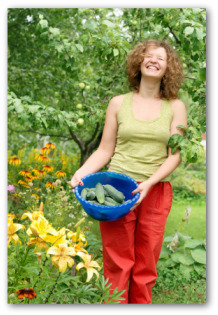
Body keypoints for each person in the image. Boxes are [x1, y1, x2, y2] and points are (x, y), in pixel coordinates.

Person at [70, 38, 187, 304]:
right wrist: (81, 172)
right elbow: (104, 150)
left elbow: (175, 156)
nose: (153, 60)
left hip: (155, 191)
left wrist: (148, 183)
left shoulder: (176, 107)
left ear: (169, 68)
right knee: (117, 263)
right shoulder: (117, 103)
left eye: (161, 57)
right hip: (117, 191)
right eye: (148, 55)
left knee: (145, 266)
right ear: (139, 61)